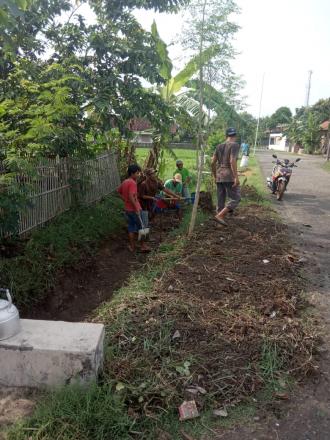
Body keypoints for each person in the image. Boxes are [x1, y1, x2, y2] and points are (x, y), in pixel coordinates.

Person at [211, 127, 241, 226]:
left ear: (226, 136)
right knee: (235, 198)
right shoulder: (235, 145)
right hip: (228, 175)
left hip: (219, 174)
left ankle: (219, 222)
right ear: (235, 136)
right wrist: (236, 177)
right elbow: (232, 160)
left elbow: (212, 162)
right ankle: (220, 216)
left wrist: (215, 176)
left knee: (221, 199)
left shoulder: (219, 146)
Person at [117, 164, 150, 253]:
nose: (139, 175)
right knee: (142, 227)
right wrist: (136, 208)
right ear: (132, 173)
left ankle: (132, 247)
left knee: (131, 228)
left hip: (127, 209)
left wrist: (124, 199)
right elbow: (132, 196)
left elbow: (118, 191)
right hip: (135, 209)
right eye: (137, 173)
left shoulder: (125, 182)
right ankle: (143, 246)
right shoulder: (132, 183)